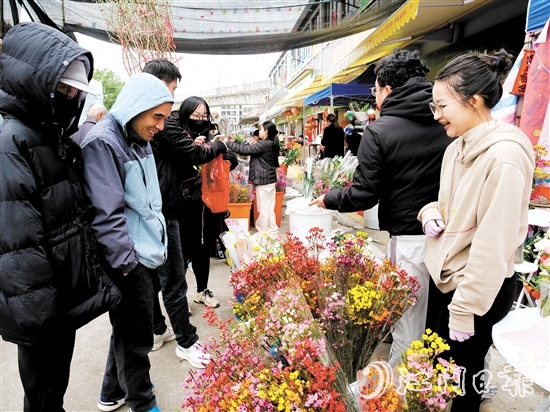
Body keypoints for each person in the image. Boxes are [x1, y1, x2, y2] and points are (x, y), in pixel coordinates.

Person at [0, 22, 120, 412]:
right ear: (35, 82)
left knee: (53, 392)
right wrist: (43, 318)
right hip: (39, 309)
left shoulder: (47, 133)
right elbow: (18, 243)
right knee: (42, 395)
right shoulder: (12, 140)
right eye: (64, 89)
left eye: (75, 91)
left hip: (57, 301)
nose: (71, 98)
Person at [309, 49, 450, 366]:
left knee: (409, 326)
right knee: (438, 322)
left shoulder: (380, 130)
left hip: (410, 240)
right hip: (451, 238)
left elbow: (363, 195)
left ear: (387, 88)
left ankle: (404, 393)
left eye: (375, 90)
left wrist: (329, 198)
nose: (375, 97)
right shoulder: (447, 120)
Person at [418, 50, 534, 411]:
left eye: (442, 105)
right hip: (445, 280)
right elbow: (443, 203)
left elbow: (492, 243)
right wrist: (429, 213)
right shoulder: (456, 149)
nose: (436, 115)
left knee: (461, 389)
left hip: (476, 291)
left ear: (475, 100)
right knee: (439, 378)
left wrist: (465, 309)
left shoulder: (506, 156)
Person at [80, 73, 174, 412]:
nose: (161, 126)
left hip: (144, 255)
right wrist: (128, 266)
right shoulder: (104, 142)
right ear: (137, 107)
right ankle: (142, 403)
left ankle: (110, 392)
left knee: (127, 330)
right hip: (127, 260)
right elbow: (107, 215)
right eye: (157, 116)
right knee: (137, 340)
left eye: (165, 117)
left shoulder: (138, 138)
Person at [142, 59, 216, 366]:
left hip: (158, 208)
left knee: (158, 278)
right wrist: (216, 145)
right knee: (172, 278)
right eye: (171, 90)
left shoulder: (141, 126)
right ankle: (186, 341)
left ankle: (159, 330)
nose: (160, 123)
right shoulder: (166, 125)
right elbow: (194, 154)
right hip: (164, 209)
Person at [177, 96, 231, 309]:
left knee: (202, 249)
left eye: (203, 116)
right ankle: (180, 299)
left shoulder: (211, 137)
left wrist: (216, 148)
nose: (200, 120)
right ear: (185, 115)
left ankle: (202, 290)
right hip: (183, 205)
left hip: (206, 207)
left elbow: (230, 159)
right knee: (180, 252)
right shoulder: (178, 137)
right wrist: (195, 148)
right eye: (195, 116)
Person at [226, 121, 279, 238]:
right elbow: (247, 147)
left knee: (264, 210)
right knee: (270, 210)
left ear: (266, 131)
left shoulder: (264, 144)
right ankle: (273, 234)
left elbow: (245, 150)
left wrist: (227, 143)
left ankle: (263, 235)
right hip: (269, 182)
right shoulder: (270, 143)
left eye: (261, 129)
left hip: (264, 182)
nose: (259, 131)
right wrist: (235, 142)